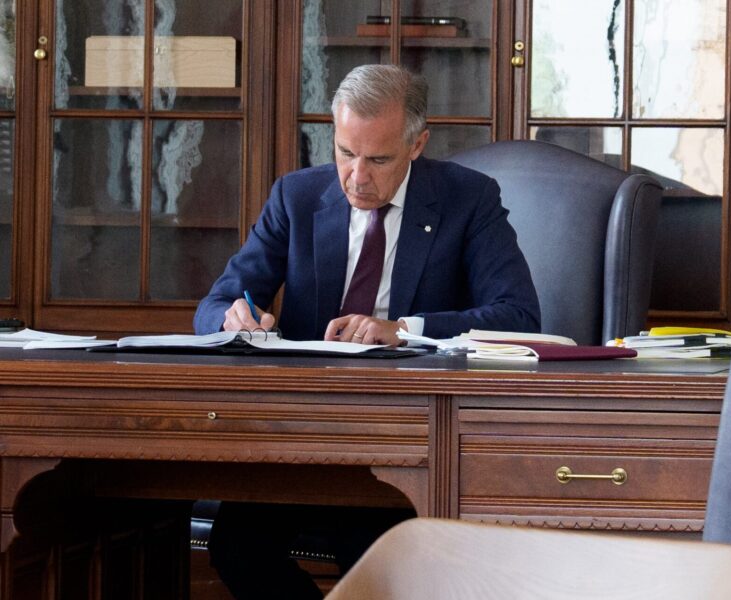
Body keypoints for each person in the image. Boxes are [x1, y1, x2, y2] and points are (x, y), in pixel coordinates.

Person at [194, 64, 540, 599]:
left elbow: (518, 316)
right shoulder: (296, 197)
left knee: (372, 554)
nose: (356, 176)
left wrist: (404, 329)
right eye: (345, 153)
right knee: (236, 545)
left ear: (416, 144)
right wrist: (232, 318)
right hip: (302, 429)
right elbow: (215, 302)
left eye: (378, 159)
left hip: (405, 436)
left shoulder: (468, 199)